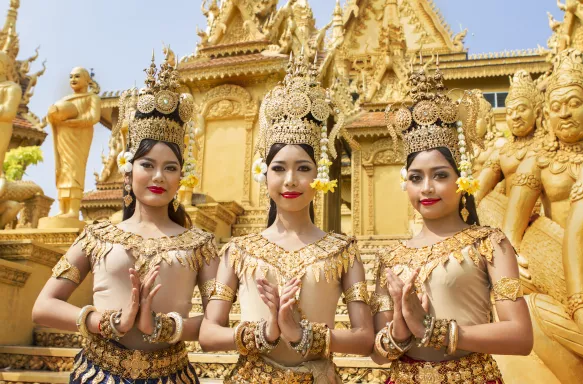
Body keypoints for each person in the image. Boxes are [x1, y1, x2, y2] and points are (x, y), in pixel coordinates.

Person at [32, 52, 218, 384]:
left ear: (181, 178)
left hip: (170, 376)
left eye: (170, 167)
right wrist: (102, 321)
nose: (158, 176)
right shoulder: (98, 235)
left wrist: (162, 326)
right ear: (129, 172)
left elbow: (216, 325)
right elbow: (44, 306)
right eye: (148, 164)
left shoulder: (200, 245)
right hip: (99, 374)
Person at [199, 52, 374, 383]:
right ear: (264, 176)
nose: (290, 180)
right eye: (278, 169)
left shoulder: (342, 250)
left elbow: (365, 337)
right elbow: (209, 333)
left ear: (318, 176)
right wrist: (263, 333)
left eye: (303, 169)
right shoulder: (239, 250)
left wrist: (301, 335)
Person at [373, 59, 533, 383]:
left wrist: (435, 331)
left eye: (440, 175)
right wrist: (401, 331)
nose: (427, 188)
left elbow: (520, 336)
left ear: (463, 181)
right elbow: (378, 354)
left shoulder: (489, 243)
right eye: (416, 177)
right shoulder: (391, 258)